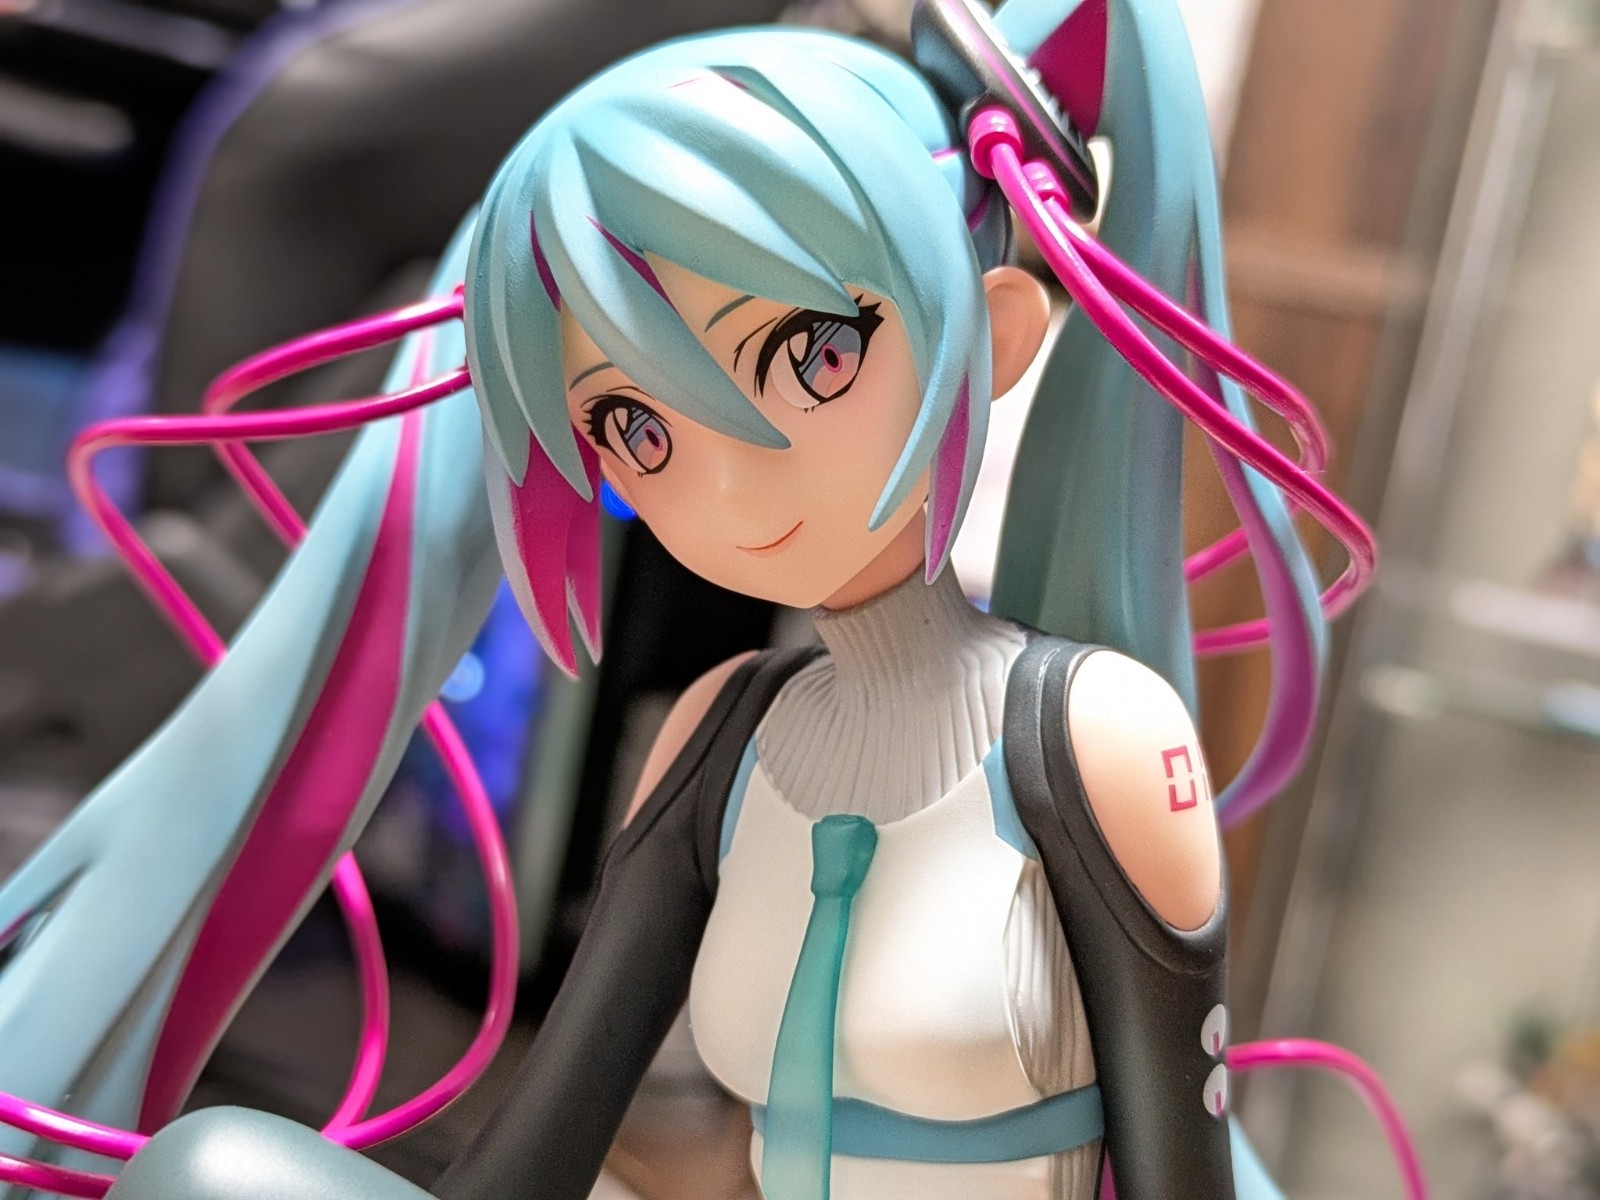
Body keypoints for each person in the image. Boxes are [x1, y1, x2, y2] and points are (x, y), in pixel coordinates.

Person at [1, 3, 1382, 1198]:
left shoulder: (1094, 746)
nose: (728, 488)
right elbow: (537, 1153)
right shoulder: (722, 742)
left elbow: (1177, 1170)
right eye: (638, 427)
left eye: (811, 356)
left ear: (998, 334)